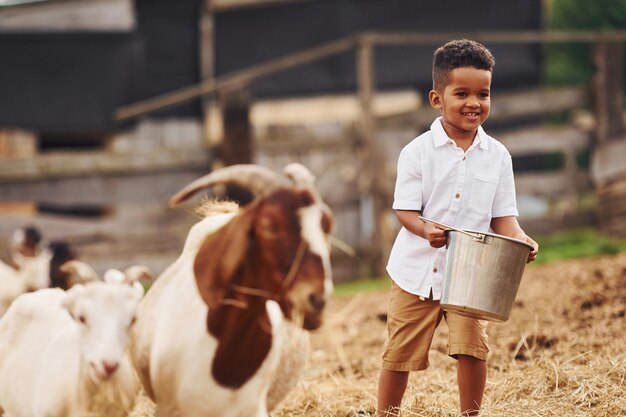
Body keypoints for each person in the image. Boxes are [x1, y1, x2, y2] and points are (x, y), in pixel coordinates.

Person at [377, 39, 539, 417]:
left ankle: (471, 414)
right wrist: (424, 230)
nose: (474, 103)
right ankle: (387, 414)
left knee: (472, 347)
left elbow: (504, 218)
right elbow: (404, 210)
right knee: (399, 353)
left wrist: (520, 239)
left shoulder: (498, 156)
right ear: (437, 99)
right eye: (461, 93)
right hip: (416, 272)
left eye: (483, 93)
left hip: (472, 274)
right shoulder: (417, 152)